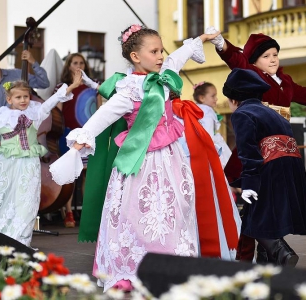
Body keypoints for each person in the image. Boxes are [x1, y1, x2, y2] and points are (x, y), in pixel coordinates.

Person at [49, 24, 220, 291]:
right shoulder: (127, 90)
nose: (161, 55)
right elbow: (101, 118)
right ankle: (132, 268)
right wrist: (79, 143)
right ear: (136, 57)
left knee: (174, 208)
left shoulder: (165, 74)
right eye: (154, 51)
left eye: (161, 49)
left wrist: (202, 38)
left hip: (170, 158)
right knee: (136, 212)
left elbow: (179, 56)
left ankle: (172, 265)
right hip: (139, 161)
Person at [207, 29, 306, 262]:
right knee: (256, 206)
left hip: (277, 151)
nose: (273, 59)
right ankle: (261, 255)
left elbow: (303, 94)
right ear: (255, 62)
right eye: (266, 56)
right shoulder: (253, 76)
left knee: (262, 208)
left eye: (275, 54)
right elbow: (237, 60)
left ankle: (260, 257)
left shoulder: (285, 81)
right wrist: (222, 44)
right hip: (256, 149)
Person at [0, 73, 80, 246]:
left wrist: (72, 86)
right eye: (18, 97)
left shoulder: (35, 113)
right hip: (5, 164)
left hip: (28, 165)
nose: (23, 100)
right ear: (9, 99)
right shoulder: (1, 117)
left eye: (26, 96)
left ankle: (20, 239)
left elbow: (52, 101)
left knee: (25, 200)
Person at [224, 68, 306, 267]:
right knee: (268, 217)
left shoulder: (242, 114)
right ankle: (269, 264)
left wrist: (248, 183)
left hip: (271, 167)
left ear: (234, 99)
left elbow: (248, 151)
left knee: (253, 220)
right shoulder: (273, 113)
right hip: (292, 168)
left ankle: (281, 252)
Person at [173, 83, 240, 261]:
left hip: (186, 155)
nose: (216, 99)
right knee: (217, 193)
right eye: (213, 96)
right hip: (205, 151)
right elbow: (208, 134)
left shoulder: (181, 111)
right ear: (202, 98)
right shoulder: (205, 111)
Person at [54, 53, 99, 228]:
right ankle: (69, 213)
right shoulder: (62, 86)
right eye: (75, 63)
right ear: (68, 66)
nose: (79, 65)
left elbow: (99, 108)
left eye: (81, 62)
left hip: (88, 133)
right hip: (70, 134)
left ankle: (87, 212)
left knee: (88, 174)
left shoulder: (93, 87)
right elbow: (57, 111)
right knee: (70, 175)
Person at [0, 48, 50, 133]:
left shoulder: (16, 74)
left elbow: (44, 83)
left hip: (26, 129)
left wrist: (33, 62)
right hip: (3, 134)